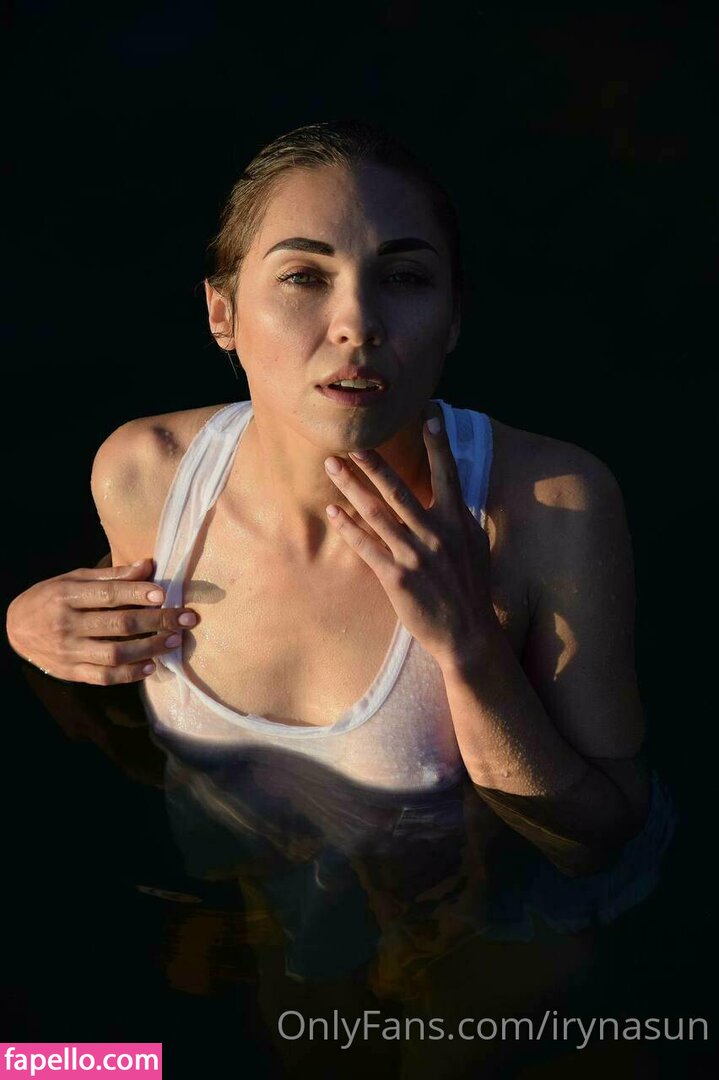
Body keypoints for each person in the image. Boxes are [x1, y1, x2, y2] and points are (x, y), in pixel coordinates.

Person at [5, 119, 673, 883]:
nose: (357, 324)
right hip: (230, 888)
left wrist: (471, 648)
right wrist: (25, 625)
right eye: (303, 277)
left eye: (404, 278)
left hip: (454, 919)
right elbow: (116, 623)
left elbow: (597, 838)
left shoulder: (549, 507)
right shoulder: (144, 474)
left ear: (453, 317)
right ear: (222, 314)